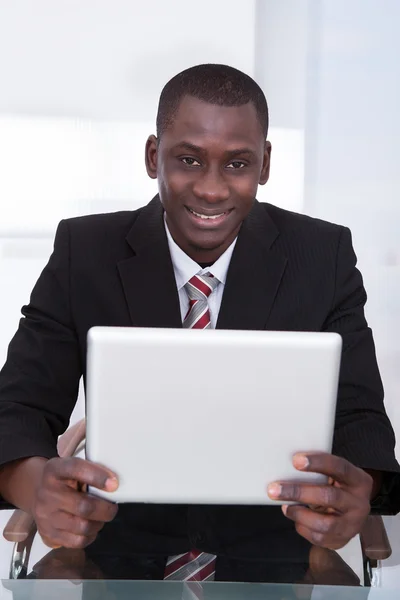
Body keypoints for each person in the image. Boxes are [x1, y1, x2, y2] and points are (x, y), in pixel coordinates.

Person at [0, 64, 399, 584]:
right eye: (188, 160)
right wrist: (37, 489)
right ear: (152, 156)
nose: (211, 190)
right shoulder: (85, 252)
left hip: (278, 555)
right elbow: (16, 409)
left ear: (265, 164)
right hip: (114, 552)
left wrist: (356, 490)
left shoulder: (321, 256)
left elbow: (361, 422)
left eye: (237, 163)